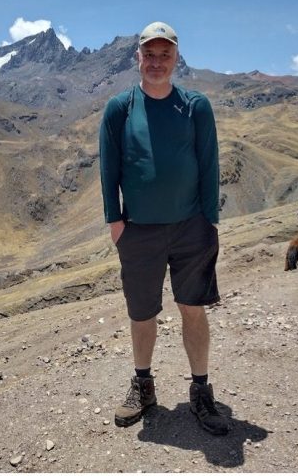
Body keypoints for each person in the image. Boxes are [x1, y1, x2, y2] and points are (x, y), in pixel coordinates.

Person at [98, 21, 229, 435]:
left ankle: (201, 390)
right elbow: (109, 169)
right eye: (149, 54)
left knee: (192, 307)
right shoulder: (120, 108)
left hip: (192, 227)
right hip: (139, 230)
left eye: (165, 54)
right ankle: (143, 384)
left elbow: (209, 164)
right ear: (138, 58)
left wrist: (210, 220)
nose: (157, 62)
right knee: (142, 312)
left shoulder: (195, 106)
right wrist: (115, 222)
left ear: (176, 58)